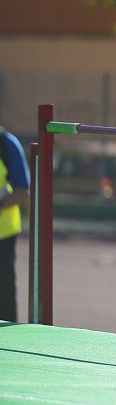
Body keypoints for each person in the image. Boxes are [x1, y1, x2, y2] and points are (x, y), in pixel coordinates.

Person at [0, 126, 30, 322]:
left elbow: (23, 191)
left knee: (4, 300)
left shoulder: (7, 144)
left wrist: (1, 204)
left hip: (3, 236)